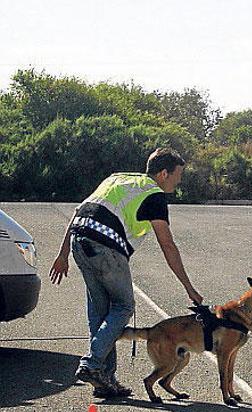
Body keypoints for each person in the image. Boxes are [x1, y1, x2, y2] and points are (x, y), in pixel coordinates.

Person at [49, 148, 203, 398]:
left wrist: (63, 254)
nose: (179, 180)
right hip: (106, 249)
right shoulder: (154, 195)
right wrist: (188, 287)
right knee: (123, 306)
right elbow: (168, 245)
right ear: (164, 173)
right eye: (178, 174)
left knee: (100, 315)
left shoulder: (117, 178)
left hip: (80, 242)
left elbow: (80, 212)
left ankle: (104, 381)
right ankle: (91, 363)